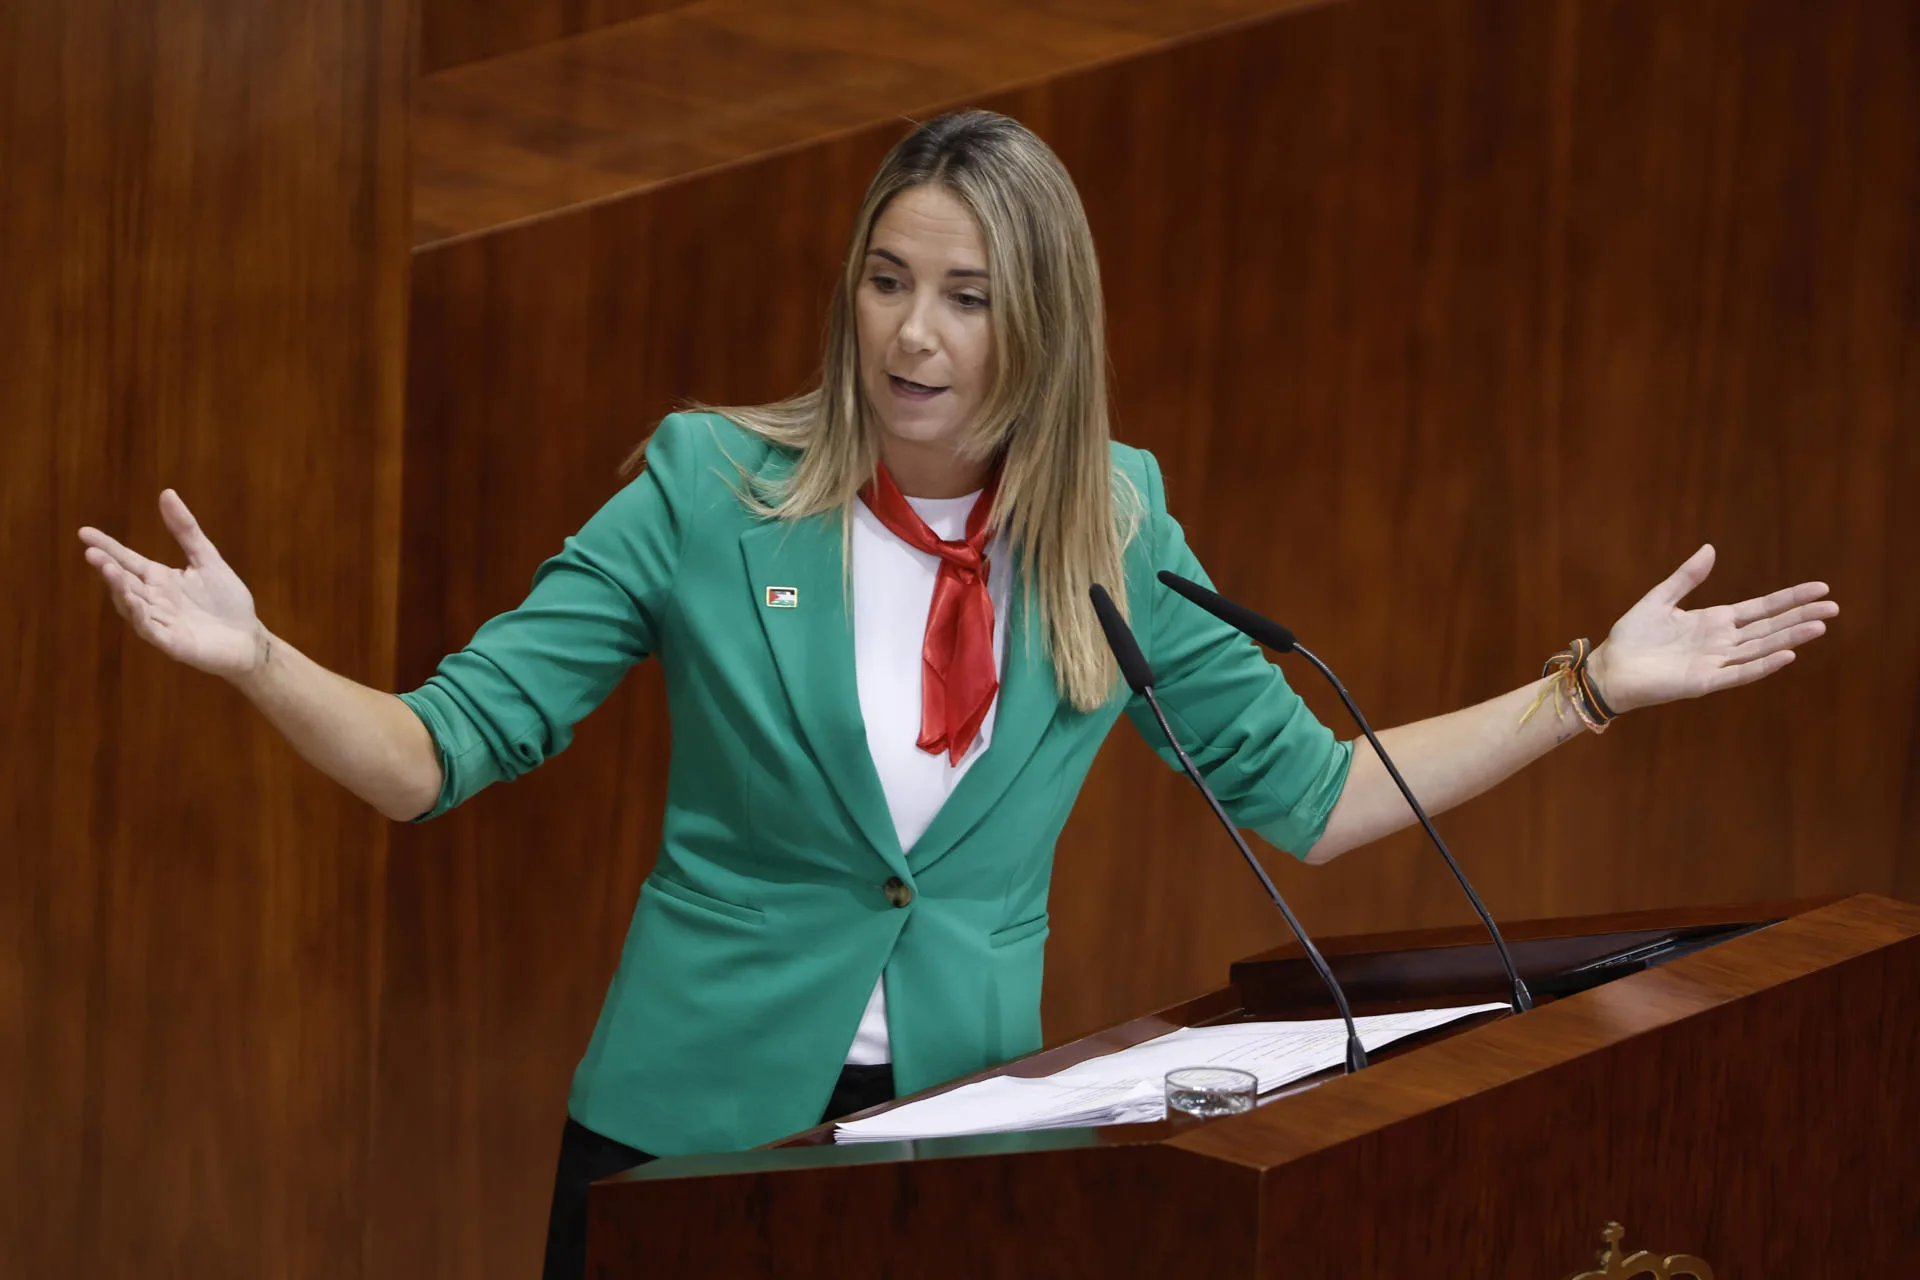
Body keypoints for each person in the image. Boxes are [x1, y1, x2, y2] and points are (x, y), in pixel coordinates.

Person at [76, 111, 1837, 1278]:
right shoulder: (706, 488)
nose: (915, 334)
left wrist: (1588, 692)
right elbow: (430, 756)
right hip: (687, 1146)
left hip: (971, 1155)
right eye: (889, 279)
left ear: (1040, 327)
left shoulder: (1111, 525)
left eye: (970, 298)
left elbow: (1308, 795)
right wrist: (263, 662)